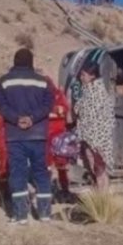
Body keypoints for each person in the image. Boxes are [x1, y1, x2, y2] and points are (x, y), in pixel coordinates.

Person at [0, 48, 55, 224]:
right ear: (31, 62)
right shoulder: (42, 82)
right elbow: (49, 104)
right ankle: (44, 214)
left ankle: (21, 215)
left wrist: (15, 118)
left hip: (15, 135)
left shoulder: (4, 82)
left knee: (17, 172)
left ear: (15, 61)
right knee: (41, 172)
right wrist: (32, 118)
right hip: (38, 135)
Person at [72, 61, 115, 189]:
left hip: (97, 139)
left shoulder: (96, 93)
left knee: (99, 168)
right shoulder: (87, 91)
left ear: (92, 76)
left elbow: (95, 117)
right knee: (95, 168)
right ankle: (100, 194)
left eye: (84, 75)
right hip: (89, 137)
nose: (81, 78)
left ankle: (103, 196)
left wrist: (96, 143)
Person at [44, 74, 72, 202]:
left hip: (59, 135)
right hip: (44, 135)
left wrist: (53, 110)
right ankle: (47, 191)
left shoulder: (58, 95)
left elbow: (64, 109)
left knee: (61, 164)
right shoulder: (38, 96)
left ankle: (65, 189)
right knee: (46, 165)